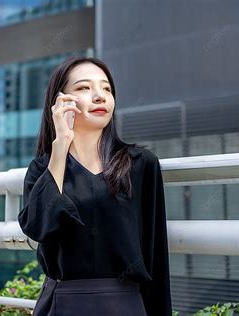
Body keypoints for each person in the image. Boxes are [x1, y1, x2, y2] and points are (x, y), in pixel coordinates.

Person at [17, 56, 172, 315]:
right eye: (84, 88)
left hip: (126, 306)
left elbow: (156, 257)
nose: (100, 96)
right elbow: (37, 226)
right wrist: (61, 144)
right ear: (60, 101)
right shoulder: (43, 169)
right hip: (61, 305)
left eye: (106, 89)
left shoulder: (141, 164)